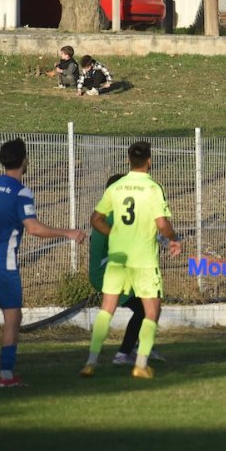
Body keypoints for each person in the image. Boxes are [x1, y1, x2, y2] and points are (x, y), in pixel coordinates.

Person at [0, 138, 86, 387]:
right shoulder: (21, 192)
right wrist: (69, 233)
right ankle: (7, 375)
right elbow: (33, 228)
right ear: (24, 161)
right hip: (3, 265)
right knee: (13, 317)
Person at [81, 141, 182, 379]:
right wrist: (174, 239)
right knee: (150, 312)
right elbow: (162, 224)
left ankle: (90, 362)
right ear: (149, 160)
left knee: (107, 310)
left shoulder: (116, 187)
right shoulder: (152, 188)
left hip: (117, 259)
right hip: (144, 260)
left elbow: (95, 219)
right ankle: (141, 364)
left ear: (128, 160)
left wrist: (113, 233)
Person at [89, 174, 160, 366]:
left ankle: (140, 347)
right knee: (145, 310)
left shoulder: (105, 214)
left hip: (106, 270)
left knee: (144, 308)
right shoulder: (114, 216)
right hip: (108, 272)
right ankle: (124, 353)